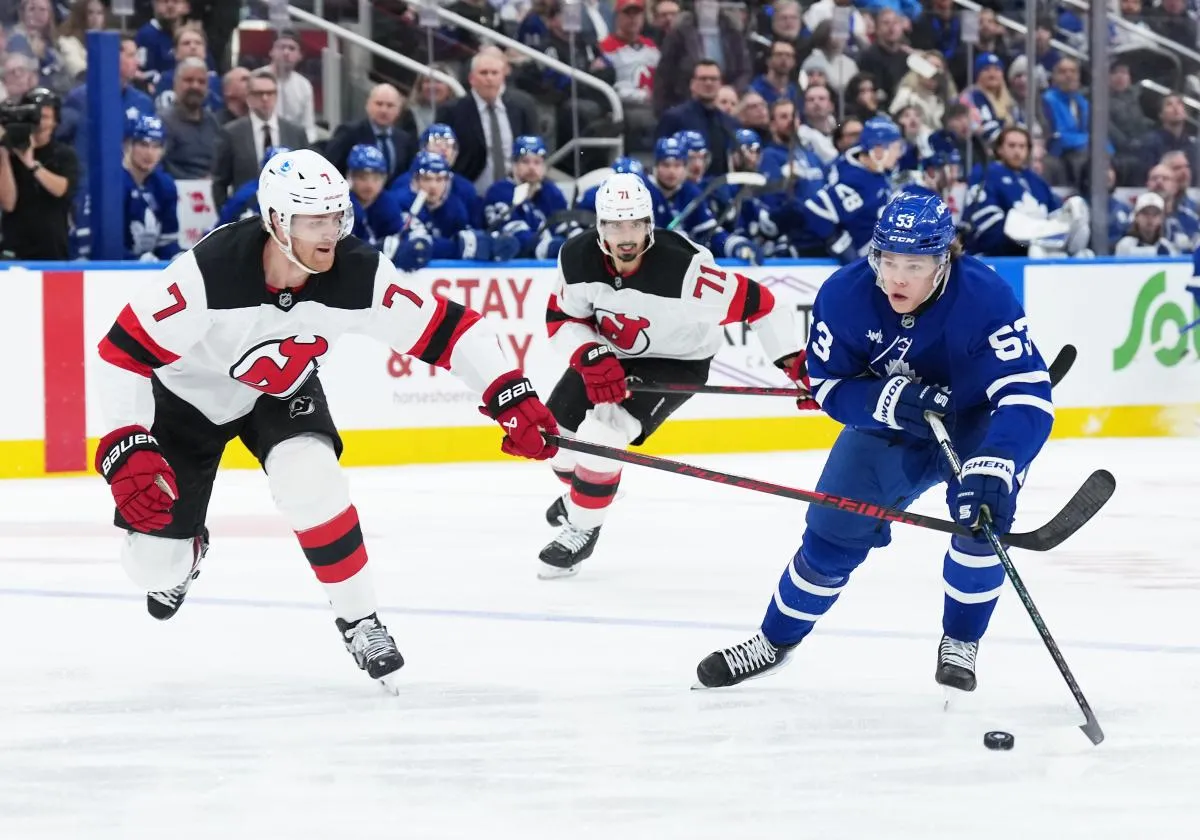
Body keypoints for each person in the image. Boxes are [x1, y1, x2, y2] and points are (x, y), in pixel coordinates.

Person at [93, 148, 558, 692]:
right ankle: (186, 552)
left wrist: (511, 392)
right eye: (313, 220)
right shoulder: (207, 273)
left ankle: (360, 619)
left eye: (336, 217)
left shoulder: (357, 272)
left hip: (280, 391)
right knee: (152, 567)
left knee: (312, 481)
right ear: (274, 221)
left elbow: (453, 330)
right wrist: (126, 442)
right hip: (186, 398)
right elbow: (119, 353)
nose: (329, 233)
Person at [695, 190, 1055, 690]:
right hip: (889, 428)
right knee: (830, 531)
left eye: (914, 264)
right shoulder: (844, 295)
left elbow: (1027, 391)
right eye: (888, 260)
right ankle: (775, 641)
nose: (897, 277)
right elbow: (826, 384)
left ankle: (962, 640)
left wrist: (999, 460)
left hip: (974, 422)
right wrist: (884, 400)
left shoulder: (984, 297)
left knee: (982, 522)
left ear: (944, 261)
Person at [539, 172, 806, 578]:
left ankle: (582, 526)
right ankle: (592, 491)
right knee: (552, 435)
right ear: (599, 227)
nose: (625, 237)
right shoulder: (576, 257)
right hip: (608, 353)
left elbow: (762, 304)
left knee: (603, 437)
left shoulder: (687, 270)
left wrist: (792, 360)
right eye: (614, 225)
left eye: (634, 224)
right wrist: (590, 353)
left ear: (649, 224)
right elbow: (563, 317)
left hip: (676, 361)